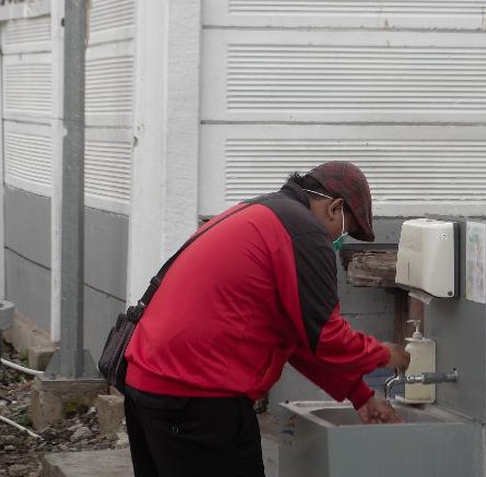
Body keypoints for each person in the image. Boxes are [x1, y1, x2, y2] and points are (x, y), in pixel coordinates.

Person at [122, 161, 410, 476]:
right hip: (197, 396)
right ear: (335, 208)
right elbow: (327, 337)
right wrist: (384, 354)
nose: (340, 239)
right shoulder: (304, 233)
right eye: (347, 229)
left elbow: (302, 341)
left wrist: (361, 396)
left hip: (148, 386)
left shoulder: (261, 213)